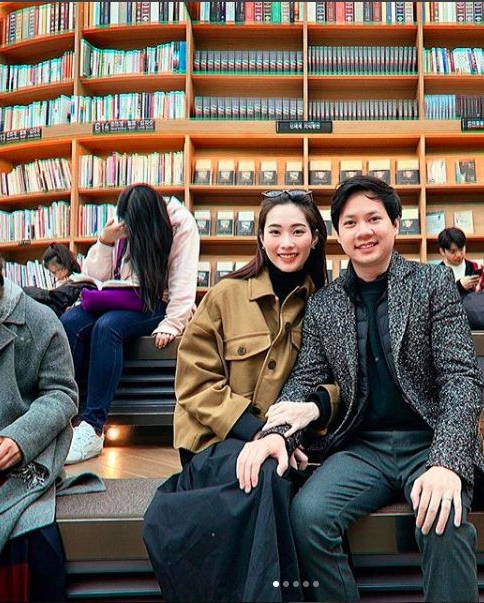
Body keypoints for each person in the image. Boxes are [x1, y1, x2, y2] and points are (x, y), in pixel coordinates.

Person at [243, 175, 484, 602]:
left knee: (444, 518)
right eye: (350, 223)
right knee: (308, 516)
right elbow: (305, 378)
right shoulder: (325, 303)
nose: (363, 231)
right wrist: (277, 433)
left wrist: (447, 462)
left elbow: (461, 378)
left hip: (428, 439)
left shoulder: (432, 284)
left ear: (395, 224)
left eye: (373, 218)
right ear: (338, 234)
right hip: (362, 447)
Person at [143, 190, 332, 602]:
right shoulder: (225, 295)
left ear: (315, 237)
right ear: (260, 238)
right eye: (275, 231)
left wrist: (288, 436)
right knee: (268, 476)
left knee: (277, 479)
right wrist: (261, 434)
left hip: (288, 444)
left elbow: (336, 382)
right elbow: (195, 383)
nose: (286, 243)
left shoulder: (325, 304)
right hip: (215, 442)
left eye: (298, 231)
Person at [60, 184, 200, 464]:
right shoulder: (121, 221)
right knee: (70, 322)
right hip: (121, 297)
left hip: (157, 301)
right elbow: (95, 276)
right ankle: (62, 415)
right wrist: (105, 241)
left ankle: (93, 426)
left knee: (107, 327)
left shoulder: (180, 223)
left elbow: (183, 281)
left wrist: (172, 323)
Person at [0, 251, 76, 601]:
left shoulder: (41, 321)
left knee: (35, 541)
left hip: (26, 457)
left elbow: (62, 394)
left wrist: (19, 438)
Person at [23, 243, 88, 317]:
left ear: (67, 264)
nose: (58, 275)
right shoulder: (57, 282)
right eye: (53, 272)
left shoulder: (77, 280)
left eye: (60, 269)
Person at [438, 227, 484, 297]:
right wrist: (459, 286)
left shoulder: (478, 268)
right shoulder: (436, 274)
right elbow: (435, 301)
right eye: (453, 252)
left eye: (461, 249)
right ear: (442, 251)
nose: (459, 255)